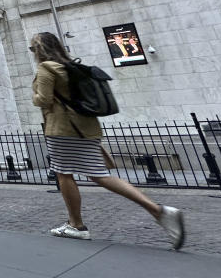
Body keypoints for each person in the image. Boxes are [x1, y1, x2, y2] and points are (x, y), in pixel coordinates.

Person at [30, 32, 185, 248]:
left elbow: (43, 100)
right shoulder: (68, 66)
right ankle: (157, 211)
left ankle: (77, 225)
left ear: (39, 49)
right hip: (87, 128)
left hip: (63, 129)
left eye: (32, 49)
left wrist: (34, 94)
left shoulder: (46, 67)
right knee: (100, 175)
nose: (32, 53)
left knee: (64, 174)